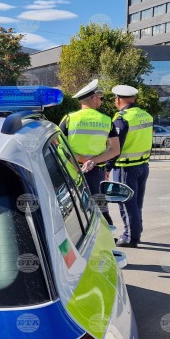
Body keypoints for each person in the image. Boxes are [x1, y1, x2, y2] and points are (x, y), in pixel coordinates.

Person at [59, 79, 120, 226]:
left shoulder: (69, 119)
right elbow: (115, 150)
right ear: (93, 98)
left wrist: (80, 159)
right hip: (96, 172)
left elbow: (58, 144)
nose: (101, 101)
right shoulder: (106, 120)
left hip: (71, 171)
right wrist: (93, 161)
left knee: (72, 211)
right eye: (100, 98)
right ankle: (107, 235)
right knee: (100, 210)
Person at [111, 85, 154, 248]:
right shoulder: (146, 115)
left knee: (126, 203)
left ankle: (130, 237)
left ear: (118, 99)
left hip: (125, 167)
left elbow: (116, 147)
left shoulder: (122, 119)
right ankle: (136, 232)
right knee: (136, 204)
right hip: (142, 165)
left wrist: (108, 166)